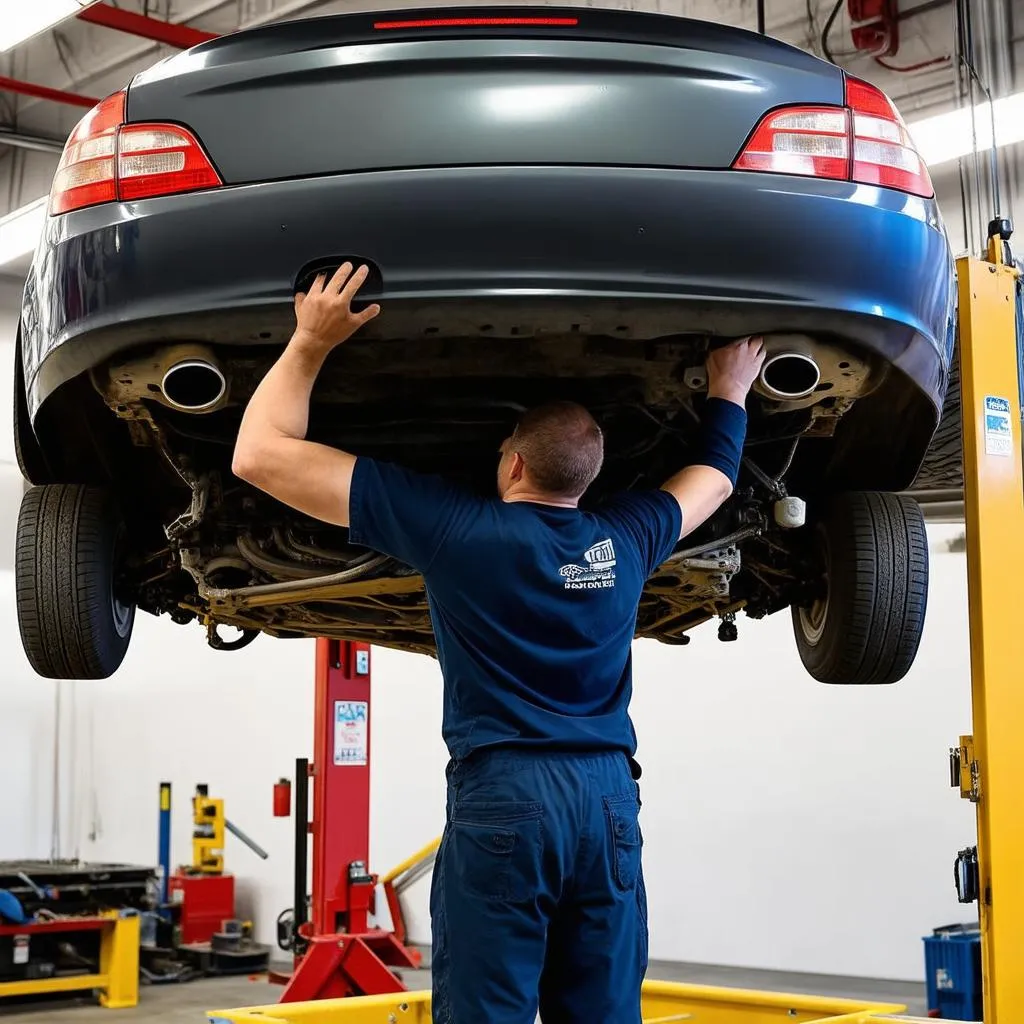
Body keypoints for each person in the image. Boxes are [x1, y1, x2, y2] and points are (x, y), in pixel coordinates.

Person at [233, 263, 765, 1024]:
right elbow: (712, 482)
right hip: (607, 795)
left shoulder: (459, 530)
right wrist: (730, 389)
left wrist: (312, 342)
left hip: (509, 793)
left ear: (513, 463)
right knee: (605, 1011)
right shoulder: (627, 537)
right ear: (594, 475)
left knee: (488, 1010)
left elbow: (259, 455)